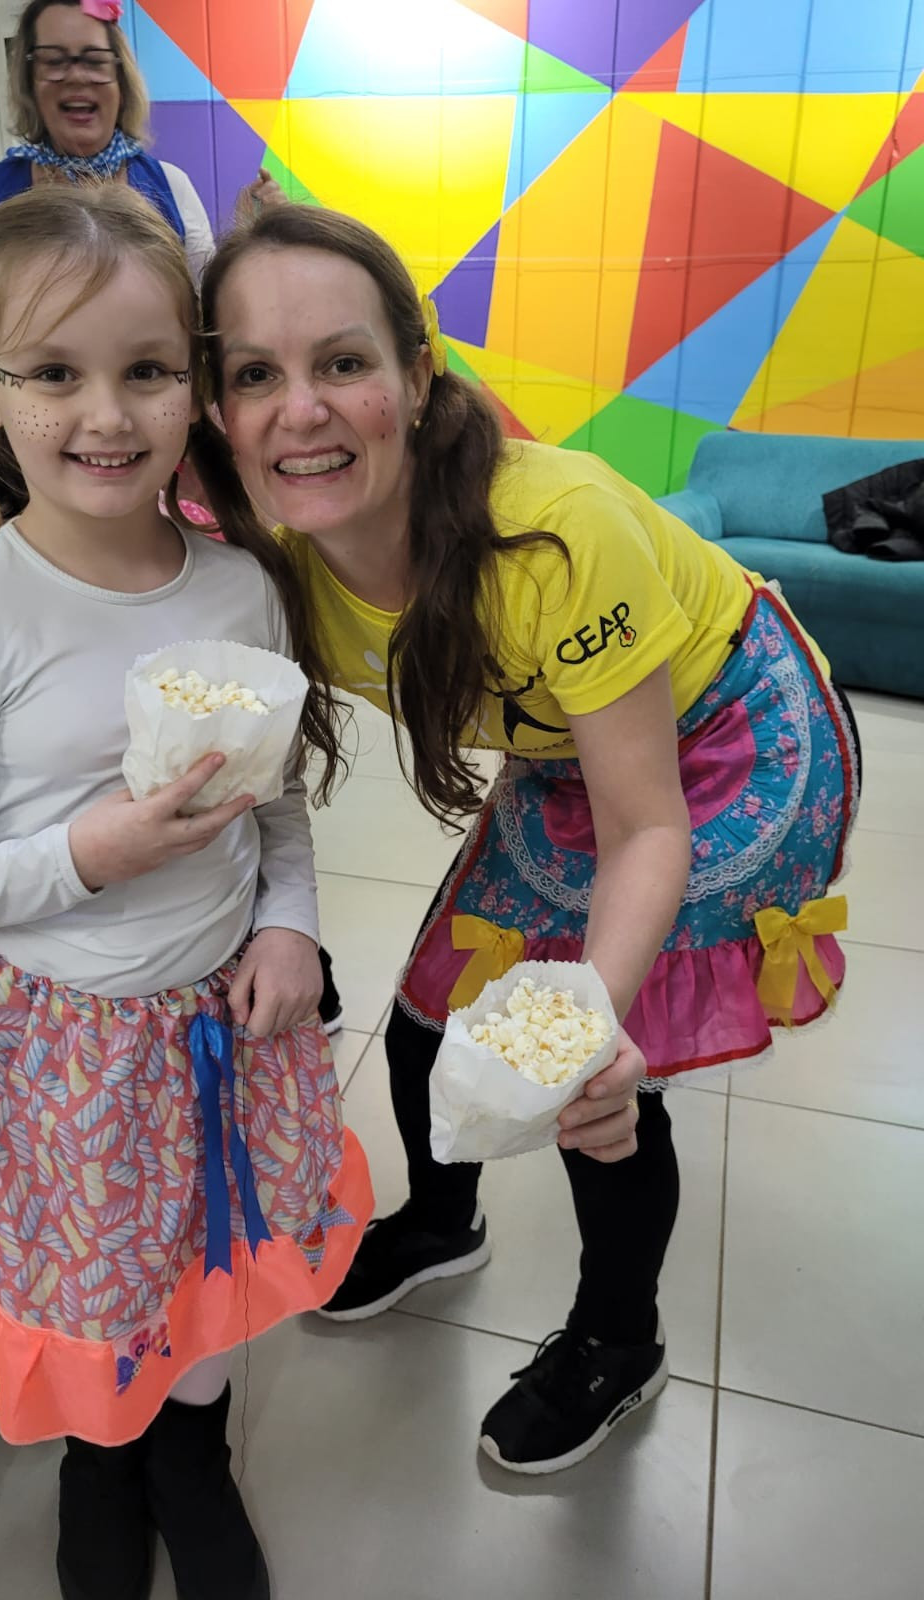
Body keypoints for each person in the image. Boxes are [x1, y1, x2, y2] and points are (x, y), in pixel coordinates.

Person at [192, 203, 860, 1476]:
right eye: (256, 375)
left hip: (728, 732)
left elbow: (646, 821)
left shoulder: (553, 531)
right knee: (433, 1011)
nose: (302, 410)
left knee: (589, 1074)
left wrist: (587, 1019)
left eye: (343, 362)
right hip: (566, 743)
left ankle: (619, 1337)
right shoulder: (275, 567)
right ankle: (443, 1220)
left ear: (415, 375)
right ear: (218, 409)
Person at [0, 182, 371, 1600]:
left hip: (218, 1026)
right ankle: (103, 1453)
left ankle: (190, 1451)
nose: (107, 414)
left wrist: (288, 923)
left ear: (193, 384)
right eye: (53, 373)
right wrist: (89, 853)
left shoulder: (240, 587)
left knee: (212, 1256)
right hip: (59, 1050)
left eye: (147, 370)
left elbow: (275, 803)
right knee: (93, 1284)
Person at [0, 0, 278, 286]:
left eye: (95, 60)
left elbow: (206, 304)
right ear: (29, 82)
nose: (76, 76)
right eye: (53, 60)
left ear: (121, 81)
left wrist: (255, 239)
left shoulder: (172, 186)